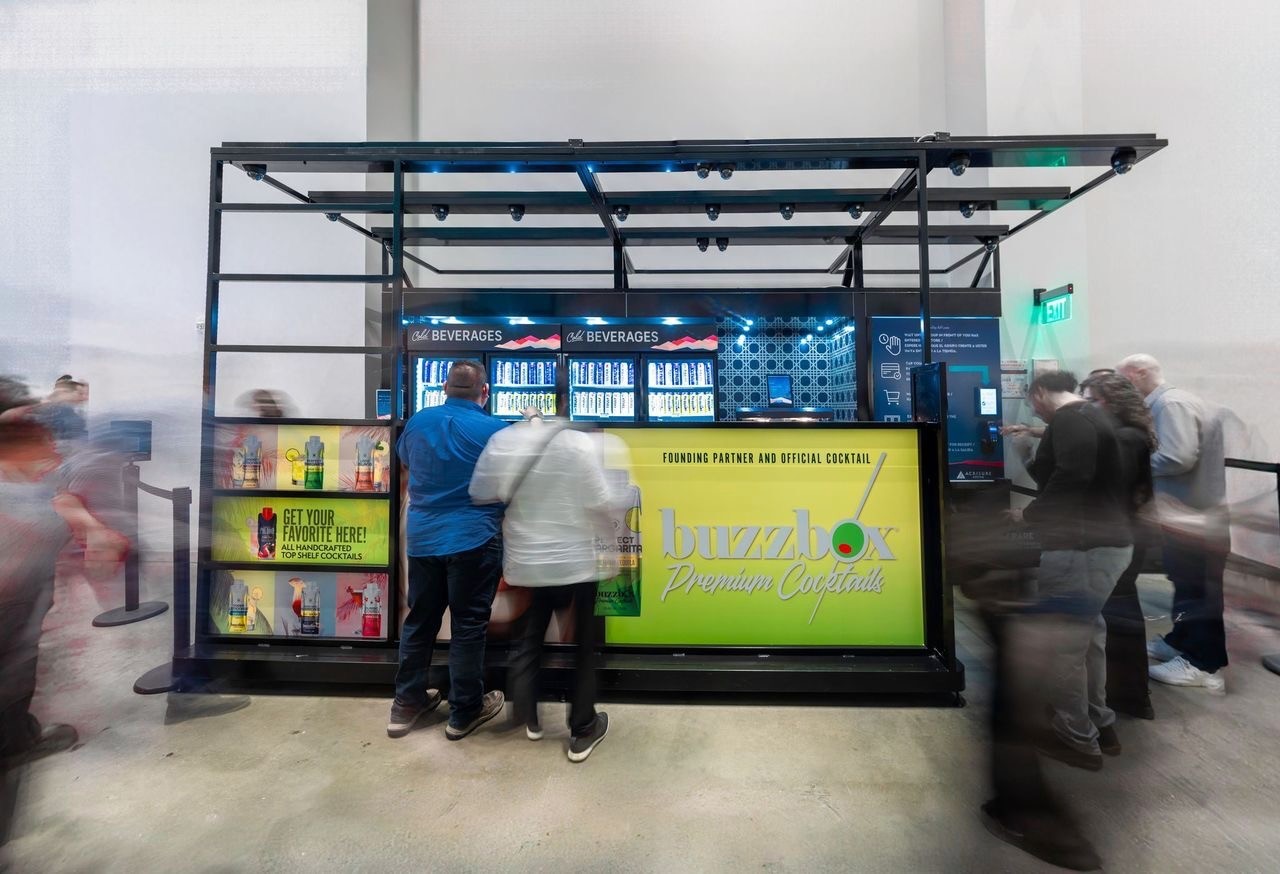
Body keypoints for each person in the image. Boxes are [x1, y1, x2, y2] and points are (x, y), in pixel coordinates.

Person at [1, 379, 127, 847]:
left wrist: (90, 529)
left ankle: (17, 736)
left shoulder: (30, 458)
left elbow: (55, 497)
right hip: (12, 595)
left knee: (20, 662)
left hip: (22, 596)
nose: (49, 449)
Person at [469, 388, 624, 763]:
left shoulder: (503, 440)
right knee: (583, 646)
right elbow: (601, 501)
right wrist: (612, 546)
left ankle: (529, 718)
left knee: (529, 639)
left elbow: (480, 492)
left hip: (527, 564)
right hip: (575, 564)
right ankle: (583, 728)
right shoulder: (577, 443)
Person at [1010, 370, 1133, 771]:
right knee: (1088, 635)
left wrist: (1030, 515)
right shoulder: (1091, 416)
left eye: (1032, 403)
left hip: (1080, 547)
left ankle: (1077, 737)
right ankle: (1101, 723)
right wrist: (1028, 452)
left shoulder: (1070, 419)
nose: (1034, 411)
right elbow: (1064, 473)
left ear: (1040, 392)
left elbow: (1071, 477)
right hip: (1105, 544)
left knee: (1064, 644)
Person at [389, 360, 507, 741]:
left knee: (420, 620)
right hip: (474, 539)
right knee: (468, 625)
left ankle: (406, 705)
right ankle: (464, 712)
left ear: (444, 387)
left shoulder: (418, 423)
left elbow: (406, 460)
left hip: (424, 540)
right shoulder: (495, 431)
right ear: (484, 392)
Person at [1116, 354, 1229, 692]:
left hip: (1196, 520)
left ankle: (1203, 664)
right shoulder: (1168, 402)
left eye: (1122, 379)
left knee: (1198, 591)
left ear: (1138, 374)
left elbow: (1177, 457)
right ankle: (1181, 642)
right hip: (1186, 517)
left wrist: (1129, 463)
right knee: (1185, 586)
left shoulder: (1171, 404)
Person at [1080, 373, 1158, 719]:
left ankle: (1125, 695)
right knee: (1119, 611)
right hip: (1125, 531)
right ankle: (1129, 695)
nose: (1086, 408)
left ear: (1111, 404)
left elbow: (1108, 490)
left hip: (1116, 535)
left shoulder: (1124, 439)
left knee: (1117, 614)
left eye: (1092, 401)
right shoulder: (1132, 435)